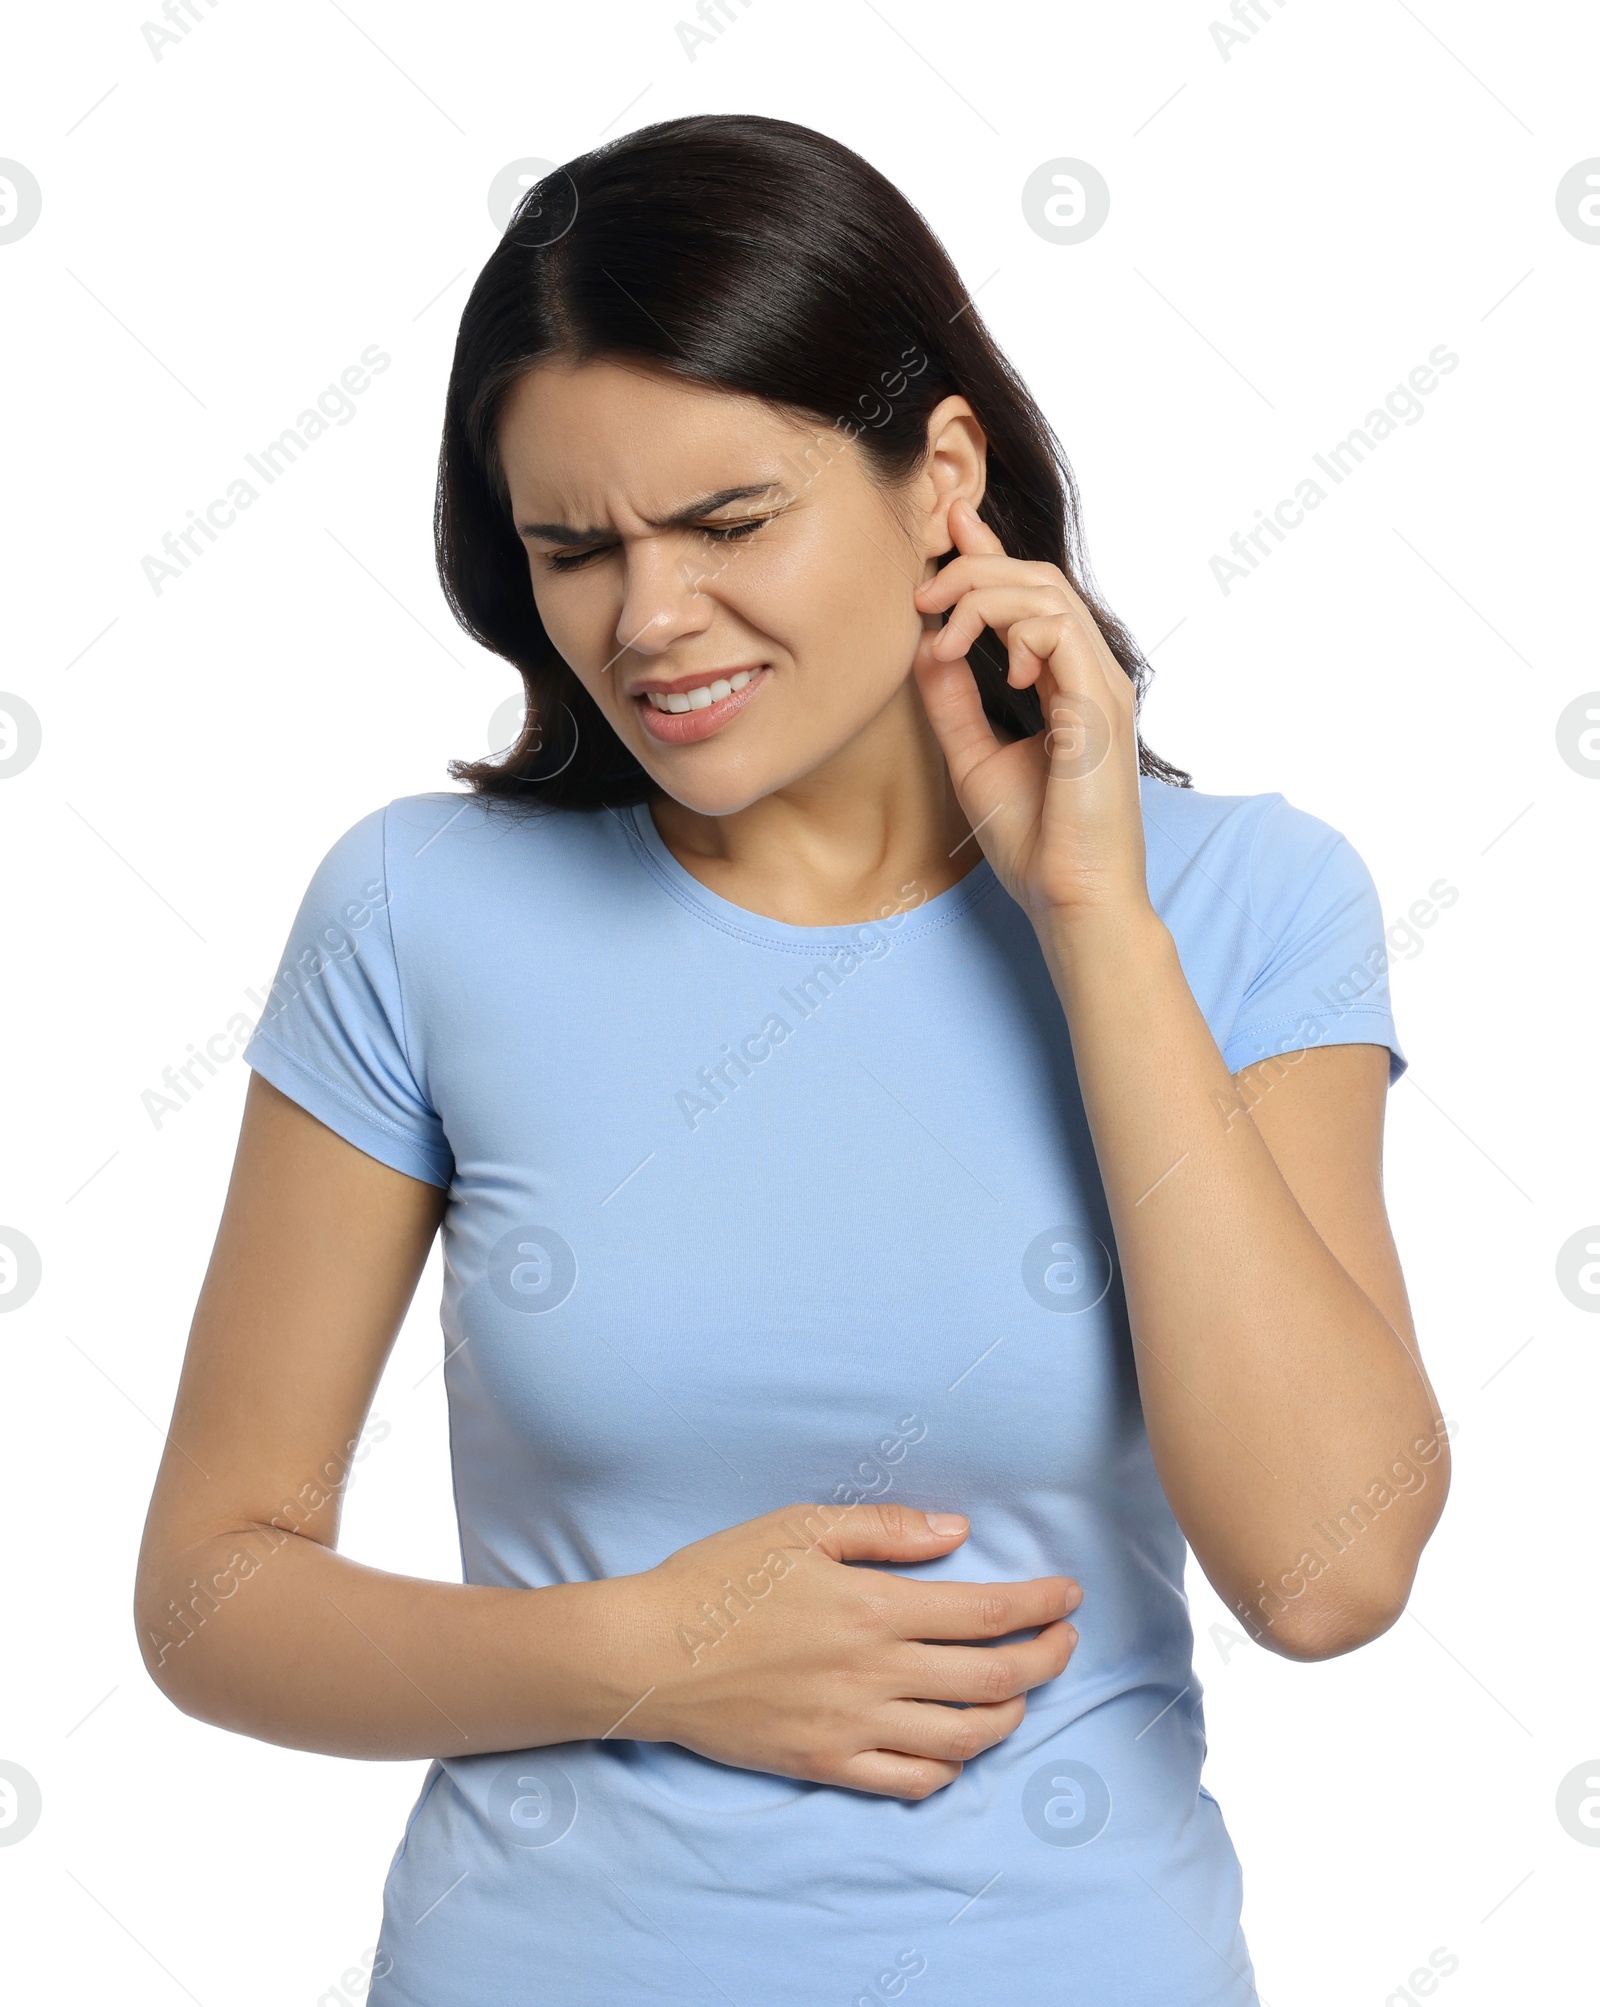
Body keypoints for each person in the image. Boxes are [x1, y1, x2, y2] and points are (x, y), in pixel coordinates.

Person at [135, 113, 1448, 2004]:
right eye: (572, 549)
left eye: (729, 523)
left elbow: (1328, 1574)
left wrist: (1090, 916)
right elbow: (211, 1595)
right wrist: (648, 1653)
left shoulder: (1241, 904)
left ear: (942, 480)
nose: (650, 620)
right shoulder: (420, 911)